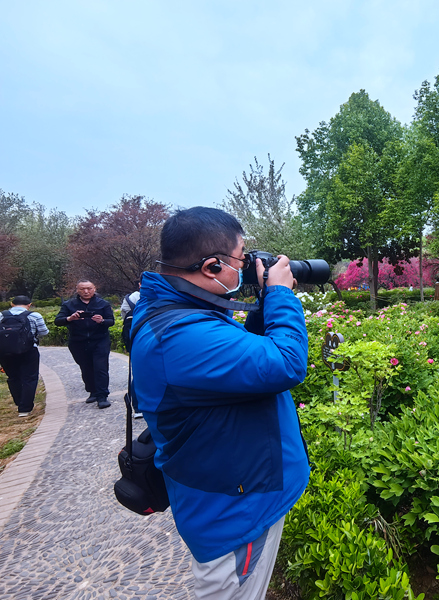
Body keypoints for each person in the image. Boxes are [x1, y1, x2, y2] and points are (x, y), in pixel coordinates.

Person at [131, 207, 309, 599]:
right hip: (234, 514)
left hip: (237, 490)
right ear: (212, 267)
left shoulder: (183, 311)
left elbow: (248, 355)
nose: (246, 268)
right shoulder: (179, 335)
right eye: (241, 259)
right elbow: (287, 363)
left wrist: (264, 302)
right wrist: (280, 293)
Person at [55, 280, 115, 409]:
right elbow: (58, 321)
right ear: (77, 290)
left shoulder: (103, 304)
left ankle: (102, 396)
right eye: (82, 289)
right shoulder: (69, 305)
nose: (86, 291)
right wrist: (70, 319)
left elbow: (111, 321)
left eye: (89, 288)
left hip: (100, 340)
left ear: (94, 288)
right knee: (86, 368)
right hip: (78, 341)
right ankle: (92, 391)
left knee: (100, 368)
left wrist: (102, 321)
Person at [0, 296, 49, 417]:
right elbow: (44, 332)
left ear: (12, 304)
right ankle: (25, 408)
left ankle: (18, 401)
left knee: (13, 377)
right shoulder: (34, 315)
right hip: (29, 350)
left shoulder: (1, 315)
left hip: (5, 352)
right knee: (30, 378)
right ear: (29, 304)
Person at [120, 280, 143, 418]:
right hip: (158, 337)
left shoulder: (129, 299)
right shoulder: (163, 295)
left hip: (135, 338)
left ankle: (138, 407)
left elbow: (124, 317)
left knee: (139, 372)